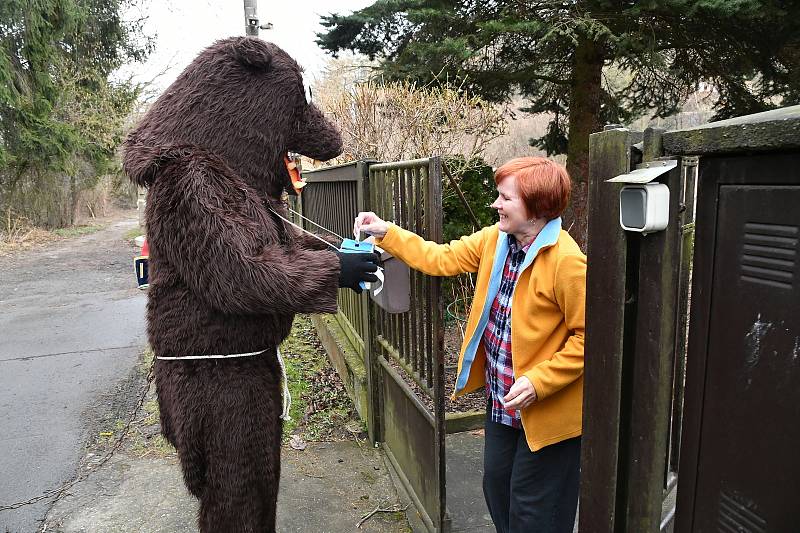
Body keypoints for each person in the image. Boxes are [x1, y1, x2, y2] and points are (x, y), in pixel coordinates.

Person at [354, 157, 585, 533]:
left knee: (535, 508)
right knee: (497, 488)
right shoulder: (496, 240)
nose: (495, 204)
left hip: (546, 409)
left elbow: (586, 338)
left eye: (505, 197)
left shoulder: (567, 262)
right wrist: (386, 232)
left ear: (536, 206)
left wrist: (541, 381)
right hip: (503, 401)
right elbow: (441, 257)